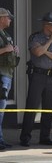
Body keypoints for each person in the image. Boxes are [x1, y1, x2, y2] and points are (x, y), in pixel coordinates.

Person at [20, 12, 52, 147]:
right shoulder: (35, 37)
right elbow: (37, 52)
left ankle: (45, 137)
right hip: (38, 76)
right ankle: (25, 137)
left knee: (48, 108)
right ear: (46, 25)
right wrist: (49, 43)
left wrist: (45, 51)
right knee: (32, 106)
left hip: (51, 76)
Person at [0, 8, 19, 150]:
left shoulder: (5, 34)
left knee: (2, 109)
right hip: (2, 75)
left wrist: (14, 51)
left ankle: (0, 139)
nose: (10, 20)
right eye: (8, 17)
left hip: (7, 74)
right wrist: (6, 50)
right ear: (1, 18)